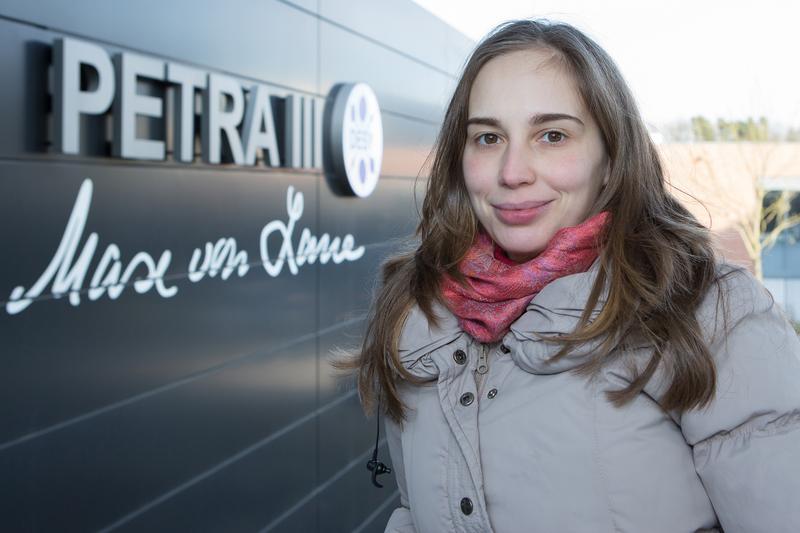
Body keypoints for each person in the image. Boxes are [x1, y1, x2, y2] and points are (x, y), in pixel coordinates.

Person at [345, 19, 800, 533]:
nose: (513, 171)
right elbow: (414, 512)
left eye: (552, 135)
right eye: (489, 137)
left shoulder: (707, 309)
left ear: (611, 157)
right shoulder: (418, 309)